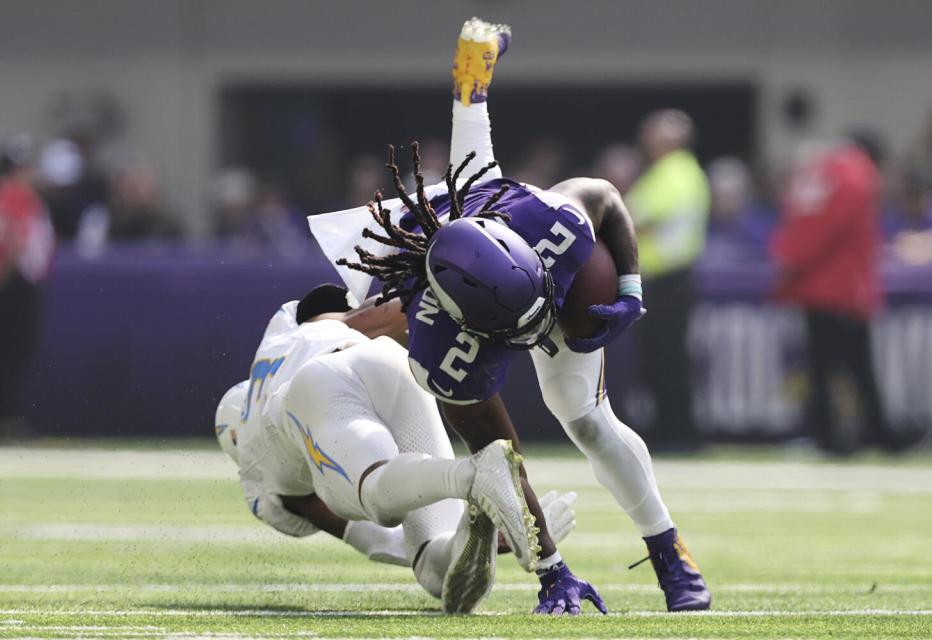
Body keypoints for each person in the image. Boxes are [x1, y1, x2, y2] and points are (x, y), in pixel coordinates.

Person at [313, 17, 709, 614]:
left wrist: (629, 288)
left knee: (586, 420)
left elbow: (603, 195)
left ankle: (667, 547)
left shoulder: (552, 222)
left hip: (493, 215)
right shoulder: (439, 344)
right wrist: (552, 568)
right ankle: (474, 70)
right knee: (371, 315)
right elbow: (501, 457)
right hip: (432, 269)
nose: (533, 337)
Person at [216, 283, 576, 613]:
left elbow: (378, 539)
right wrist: (427, 285)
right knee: (435, 569)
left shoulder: (261, 474)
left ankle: (473, 475)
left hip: (320, 384)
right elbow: (375, 313)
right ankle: (479, 519)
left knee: (373, 500)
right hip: (389, 363)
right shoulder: (281, 338)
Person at [770, 134, 897, 453]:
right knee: (855, 366)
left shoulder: (818, 171)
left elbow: (800, 226)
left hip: (815, 286)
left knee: (824, 365)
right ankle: (871, 435)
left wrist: (790, 264)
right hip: (844, 288)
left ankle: (834, 435)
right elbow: (834, 229)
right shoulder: (855, 173)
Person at [623, 109, 710, 450]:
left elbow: (638, 219)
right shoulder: (677, 171)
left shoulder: (674, 172)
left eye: (654, 133)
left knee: (666, 357)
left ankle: (677, 432)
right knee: (662, 357)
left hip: (669, 279)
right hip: (666, 279)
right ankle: (671, 429)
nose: (647, 139)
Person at [0, 135, 55, 437]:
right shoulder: (16, 196)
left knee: (13, 354)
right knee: (12, 353)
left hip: (19, 283)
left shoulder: (18, 195)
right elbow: (16, 243)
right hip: (15, 285)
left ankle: (9, 417)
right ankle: (8, 419)